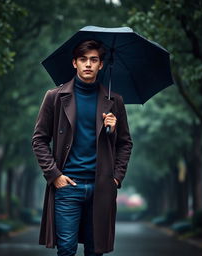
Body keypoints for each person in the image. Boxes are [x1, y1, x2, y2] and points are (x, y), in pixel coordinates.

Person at [32, 40, 133, 256]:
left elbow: (125, 143)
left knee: (94, 250)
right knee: (66, 249)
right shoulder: (55, 97)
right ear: (74, 63)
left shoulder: (114, 101)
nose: (88, 64)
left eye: (94, 60)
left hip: (101, 187)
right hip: (68, 186)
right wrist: (54, 174)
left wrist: (116, 177)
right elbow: (39, 140)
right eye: (83, 59)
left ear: (101, 65)